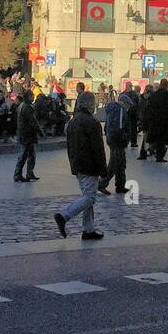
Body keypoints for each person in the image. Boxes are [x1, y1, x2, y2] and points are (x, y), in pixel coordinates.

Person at [54, 91, 106, 241]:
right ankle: (64, 215)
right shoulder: (92, 123)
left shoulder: (73, 121)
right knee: (90, 198)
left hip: (78, 164)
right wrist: (103, 169)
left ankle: (88, 230)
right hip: (89, 165)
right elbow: (98, 149)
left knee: (87, 196)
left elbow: (69, 146)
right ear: (90, 103)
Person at [100, 86, 133, 192]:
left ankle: (120, 185)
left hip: (113, 138)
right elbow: (119, 126)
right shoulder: (120, 110)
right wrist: (123, 137)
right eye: (128, 106)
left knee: (121, 163)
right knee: (114, 164)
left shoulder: (112, 110)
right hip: (117, 140)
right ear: (125, 103)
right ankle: (102, 184)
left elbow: (107, 126)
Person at [13, 88, 41, 182]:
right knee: (24, 155)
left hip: (24, 134)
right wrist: (40, 131)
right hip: (27, 134)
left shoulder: (22, 105)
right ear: (28, 97)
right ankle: (18, 174)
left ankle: (29, 173)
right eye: (32, 95)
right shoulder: (27, 107)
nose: (33, 97)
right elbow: (33, 122)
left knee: (30, 155)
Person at [143, 78, 168, 161]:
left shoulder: (154, 95)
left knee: (155, 138)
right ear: (166, 86)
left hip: (154, 120)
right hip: (164, 120)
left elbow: (150, 107)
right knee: (162, 140)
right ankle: (159, 156)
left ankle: (151, 150)